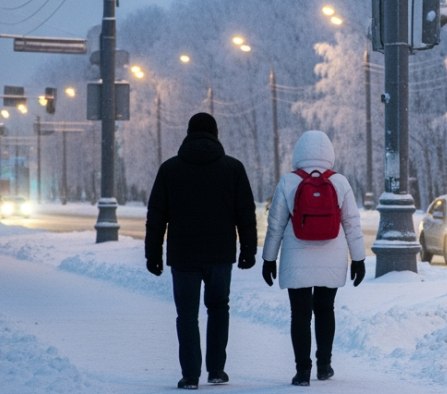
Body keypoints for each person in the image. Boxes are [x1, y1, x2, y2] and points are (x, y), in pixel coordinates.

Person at [146, 112, 257, 390]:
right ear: (215, 135)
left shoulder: (170, 169)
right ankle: (217, 370)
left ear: (188, 133)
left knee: (186, 314)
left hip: (183, 254)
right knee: (219, 308)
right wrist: (248, 249)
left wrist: (153, 253)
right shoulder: (233, 168)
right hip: (220, 253)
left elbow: (157, 215)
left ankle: (190, 375)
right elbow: (245, 213)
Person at [261, 130, 366, 386]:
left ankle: (302, 371)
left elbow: (275, 224)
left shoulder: (288, 182)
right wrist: (359, 259)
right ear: (329, 154)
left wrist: (269, 259)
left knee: (299, 314)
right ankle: (324, 365)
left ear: (299, 153)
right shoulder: (340, 182)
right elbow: (351, 223)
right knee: (325, 310)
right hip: (333, 255)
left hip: (296, 257)